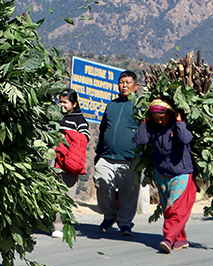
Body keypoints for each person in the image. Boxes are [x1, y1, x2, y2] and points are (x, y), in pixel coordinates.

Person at [133, 99, 196, 252]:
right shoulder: (153, 126)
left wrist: (179, 122)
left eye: (161, 117)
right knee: (167, 208)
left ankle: (168, 238)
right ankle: (180, 239)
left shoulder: (178, 125)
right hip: (161, 172)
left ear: (170, 113)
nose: (159, 121)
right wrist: (145, 122)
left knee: (175, 208)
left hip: (181, 173)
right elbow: (140, 140)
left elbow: (185, 139)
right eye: (155, 118)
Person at [93, 71, 141, 236]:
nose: (124, 85)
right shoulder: (111, 106)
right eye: (121, 82)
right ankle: (109, 215)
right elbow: (103, 129)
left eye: (128, 82)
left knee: (129, 194)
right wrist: (98, 151)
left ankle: (125, 223)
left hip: (130, 160)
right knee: (101, 184)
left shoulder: (141, 106)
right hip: (106, 157)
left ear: (136, 86)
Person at [52, 88, 90, 238]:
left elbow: (84, 138)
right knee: (54, 194)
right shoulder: (56, 117)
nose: (61, 105)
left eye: (65, 102)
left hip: (69, 163)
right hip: (54, 161)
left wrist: (66, 137)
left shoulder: (80, 120)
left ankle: (60, 226)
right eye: (60, 101)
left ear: (74, 104)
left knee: (66, 196)